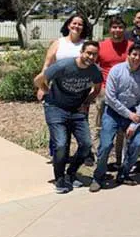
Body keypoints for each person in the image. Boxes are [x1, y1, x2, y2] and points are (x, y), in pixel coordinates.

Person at [33, 41, 102, 193]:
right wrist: (46, 91)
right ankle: (59, 178)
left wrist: (86, 101)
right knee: (61, 145)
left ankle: (71, 173)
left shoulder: (94, 71)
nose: (91, 57)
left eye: (94, 54)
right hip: (55, 108)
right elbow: (38, 80)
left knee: (85, 145)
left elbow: (97, 89)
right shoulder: (63, 65)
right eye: (88, 53)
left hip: (77, 111)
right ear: (81, 52)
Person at [90, 43, 140, 192]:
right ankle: (98, 177)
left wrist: (134, 122)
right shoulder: (116, 71)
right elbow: (110, 98)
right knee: (105, 145)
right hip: (113, 113)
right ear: (128, 55)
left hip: (134, 113)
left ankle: (124, 174)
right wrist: (129, 114)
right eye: (134, 54)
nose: (137, 58)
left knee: (136, 145)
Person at [38, 14, 92, 159]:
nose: (77, 26)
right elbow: (47, 66)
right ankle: (59, 156)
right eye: (74, 23)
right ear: (68, 25)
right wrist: (42, 86)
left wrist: (90, 95)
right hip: (58, 91)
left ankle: (81, 156)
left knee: (78, 127)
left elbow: (91, 68)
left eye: (80, 24)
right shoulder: (58, 43)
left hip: (79, 92)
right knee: (59, 125)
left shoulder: (85, 45)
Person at [96, 16, 132, 166]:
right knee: (102, 127)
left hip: (125, 93)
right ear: (109, 29)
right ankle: (101, 160)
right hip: (105, 91)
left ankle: (119, 160)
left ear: (124, 29)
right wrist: (96, 89)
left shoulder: (130, 46)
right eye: (114, 27)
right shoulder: (101, 46)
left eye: (120, 27)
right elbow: (94, 68)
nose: (117, 30)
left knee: (121, 131)